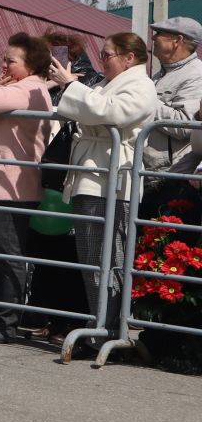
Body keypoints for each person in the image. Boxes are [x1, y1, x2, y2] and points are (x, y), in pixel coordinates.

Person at [50, 32, 156, 334]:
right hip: (92, 172)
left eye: (107, 55)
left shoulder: (141, 85)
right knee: (91, 257)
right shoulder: (105, 84)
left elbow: (111, 113)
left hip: (112, 176)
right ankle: (100, 321)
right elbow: (88, 109)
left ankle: (108, 326)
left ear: (129, 58)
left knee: (108, 257)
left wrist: (71, 86)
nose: (101, 61)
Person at [0, 33, 55, 344]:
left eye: (10, 61)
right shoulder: (19, 87)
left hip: (13, 186)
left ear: (30, 65)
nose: (3, 65)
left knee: (7, 255)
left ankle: (5, 323)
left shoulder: (30, 89)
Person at [140, 16, 202, 188]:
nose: (153, 38)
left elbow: (185, 125)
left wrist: (143, 99)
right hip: (150, 174)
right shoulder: (162, 74)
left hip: (171, 178)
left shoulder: (196, 75)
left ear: (178, 40)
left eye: (159, 33)